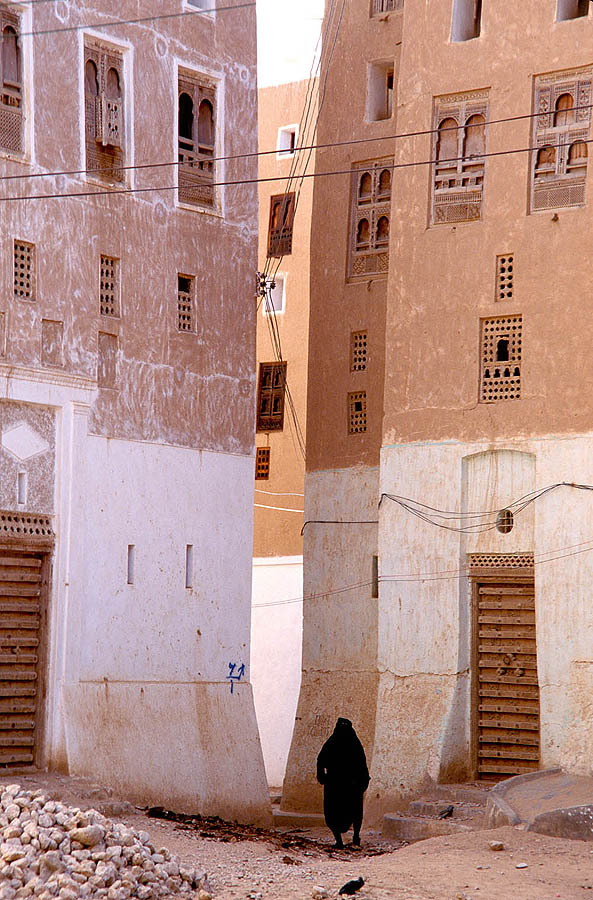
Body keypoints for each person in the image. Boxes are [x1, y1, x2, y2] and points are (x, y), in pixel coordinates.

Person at [316, 717, 370, 849]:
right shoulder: (355, 744)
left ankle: (342, 840)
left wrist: (323, 777)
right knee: (352, 812)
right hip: (349, 785)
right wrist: (363, 782)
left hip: (336, 785)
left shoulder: (331, 743)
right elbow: (363, 765)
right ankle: (353, 838)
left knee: (334, 812)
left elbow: (320, 761)